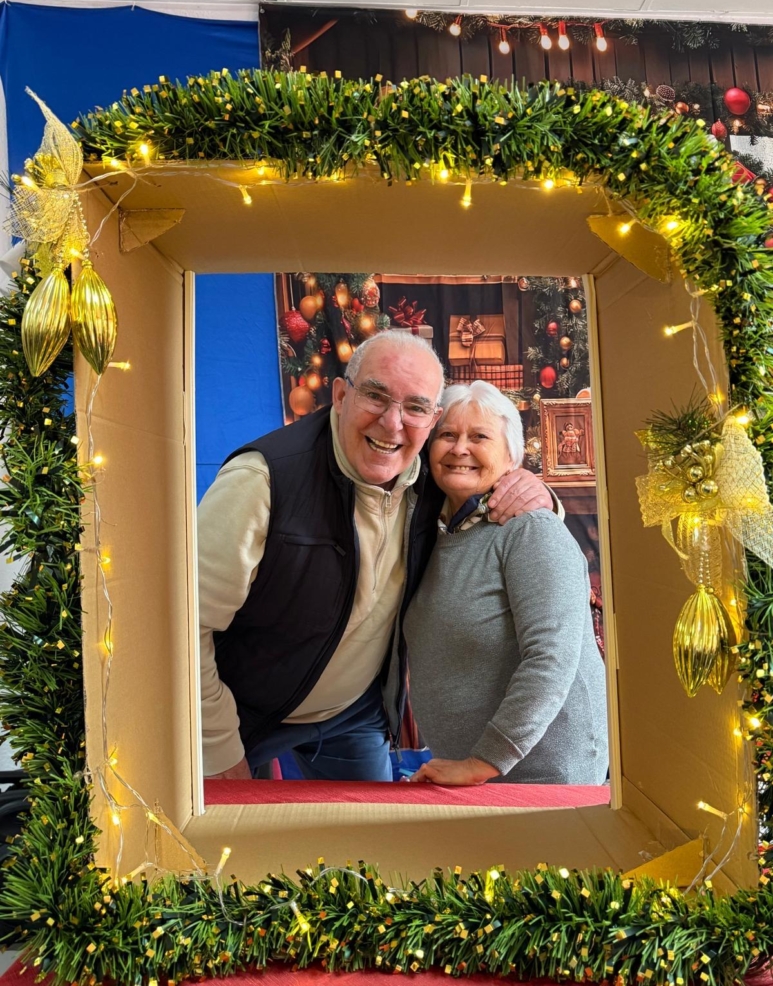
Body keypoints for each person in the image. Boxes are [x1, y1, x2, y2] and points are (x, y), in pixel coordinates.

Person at [198, 332, 558, 782]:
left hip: (354, 714)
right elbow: (184, 628)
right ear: (340, 395)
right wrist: (217, 747)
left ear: (432, 419)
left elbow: (488, 490)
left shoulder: (434, 474)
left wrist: (541, 496)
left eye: (415, 407)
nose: (392, 423)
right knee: (232, 828)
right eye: (375, 396)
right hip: (246, 713)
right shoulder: (262, 482)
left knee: (370, 829)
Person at [404, 380, 608, 786]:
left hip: (541, 774)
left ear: (512, 457)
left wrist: (484, 761)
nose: (460, 448)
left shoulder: (531, 531)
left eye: (479, 437)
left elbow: (550, 658)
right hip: (468, 774)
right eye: (447, 435)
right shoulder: (428, 533)